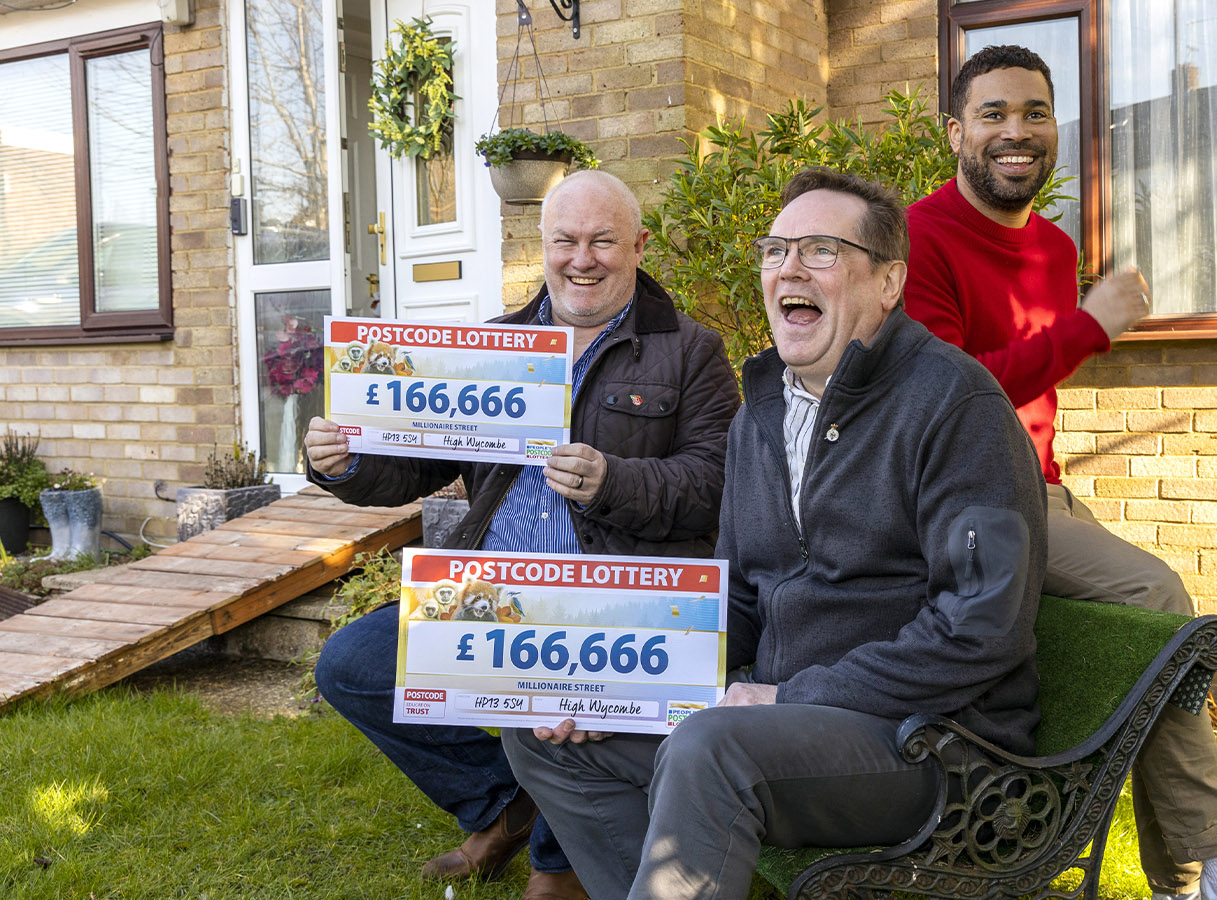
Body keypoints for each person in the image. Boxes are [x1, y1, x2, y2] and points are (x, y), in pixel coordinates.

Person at [501, 167, 1047, 900]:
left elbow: (982, 628)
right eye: (775, 249)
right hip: (777, 721)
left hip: (935, 743)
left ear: (888, 283)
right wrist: (615, 692)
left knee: (710, 747)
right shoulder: (760, 414)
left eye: (820, 249)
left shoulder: (955, 406)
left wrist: (787, 695)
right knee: (548, 736)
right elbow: (738, 601)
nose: (788, 267)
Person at [904, 45, 1217, 900]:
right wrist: (1089, 326)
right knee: (1158, 597)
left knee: (1151, 642)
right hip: (960, 497)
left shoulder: (1051, 248)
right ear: (954, 133)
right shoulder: (917, 236)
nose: (1017, 131)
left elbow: (1032, 381)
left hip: (1036, 489)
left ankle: (1191, 877)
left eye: (1036, 113)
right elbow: (953, 397)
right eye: (994, 113)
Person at [302, 170, 740, 900]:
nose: (582, 258)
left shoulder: (690, 350)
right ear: (542, 245)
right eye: (565, 240)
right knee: (351, 664)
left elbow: (718, 485)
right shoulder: (499, 346)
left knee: (549, 701)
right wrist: (342, 463)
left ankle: (557, 857)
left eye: (602, 240)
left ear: (638, 244)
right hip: (490, 590)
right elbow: (407, 463)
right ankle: (505, 806)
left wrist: (614, 481)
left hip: (611, 600)